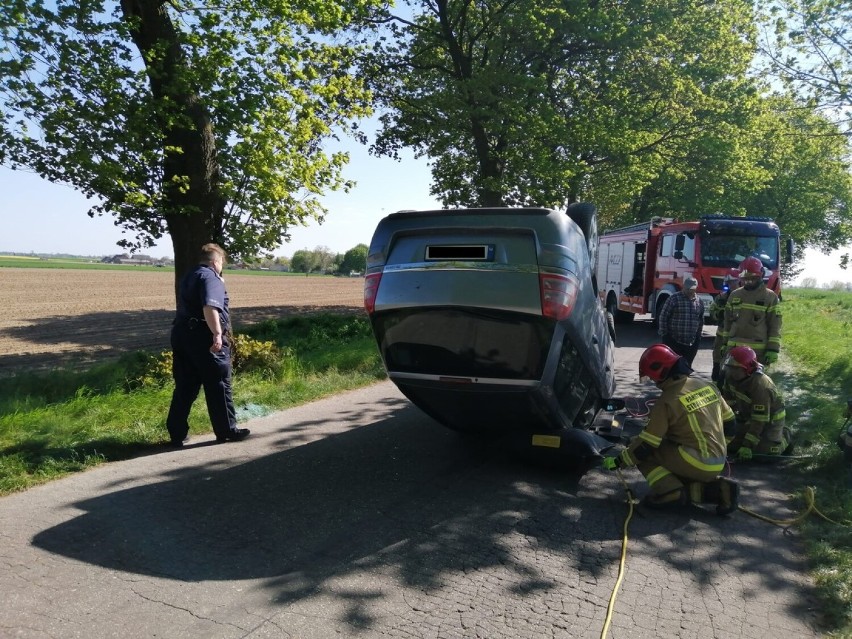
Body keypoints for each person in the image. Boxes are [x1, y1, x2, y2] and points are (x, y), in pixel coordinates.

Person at [601, 344, 739, 514]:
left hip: (695, 461)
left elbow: (646, 446)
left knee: (638, 449)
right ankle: (720, 490)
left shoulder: (667, 401)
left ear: (662, 372)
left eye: (652, 377)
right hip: (718, 460)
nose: (653, 382)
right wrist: (720, 448)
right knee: (670, 451)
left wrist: (619, 461)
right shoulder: (707, 386)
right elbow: (731, 423)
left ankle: (669, 493)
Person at [166, 243, 250, 447]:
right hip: (204, 336)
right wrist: (217, 334)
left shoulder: (190, 275)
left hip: (182, 333)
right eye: (222, 263)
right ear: (216, 261)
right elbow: (210, 307)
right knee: (219, 384)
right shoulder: (210, 277)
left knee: (185, 385)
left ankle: (176, 432)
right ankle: (226, 430)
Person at [721, 346, 790, 461]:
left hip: (769, 421)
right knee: (728, 444)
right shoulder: (730, 377)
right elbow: (727, 404)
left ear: (748, 368)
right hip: (748, 417)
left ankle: (785, 437)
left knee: (764, 453)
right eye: (729, 367)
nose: (731, 372)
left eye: (736, 369)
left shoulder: (761, 386)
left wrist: (747, 446)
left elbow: (759, 420)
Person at [721, 257, 781, 368]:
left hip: (757, 353)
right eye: (745, 279)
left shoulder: (770, 297)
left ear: (761, 275)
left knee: (754, 384)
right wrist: (724, 343)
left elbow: (775, 325)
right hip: (733, 350)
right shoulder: (735, 295)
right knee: (727, 382)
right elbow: (727, 323)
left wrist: (773, 349)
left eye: (752, 278)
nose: (748, 282)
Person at [657, 276, 704, 365]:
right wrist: (665, 335)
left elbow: (700, 320)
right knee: (672, 367)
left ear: (696, 289)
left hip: (691, 344)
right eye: (687, 289)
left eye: (692, 289)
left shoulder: (699, 301)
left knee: (685, 368)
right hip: (673, 341)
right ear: (683, 287)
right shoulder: (674, 298)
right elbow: (663, 316)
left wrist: (698, 337)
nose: (689, 291)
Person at [709, 269, 740, 384]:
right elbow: (712, 311)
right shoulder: (721, 297)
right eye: (730, 282)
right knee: (718, 356)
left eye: (734, 282)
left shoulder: (744, 298)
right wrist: (719, 315)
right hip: (722, 334)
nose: (732, 285)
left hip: (737, 336)